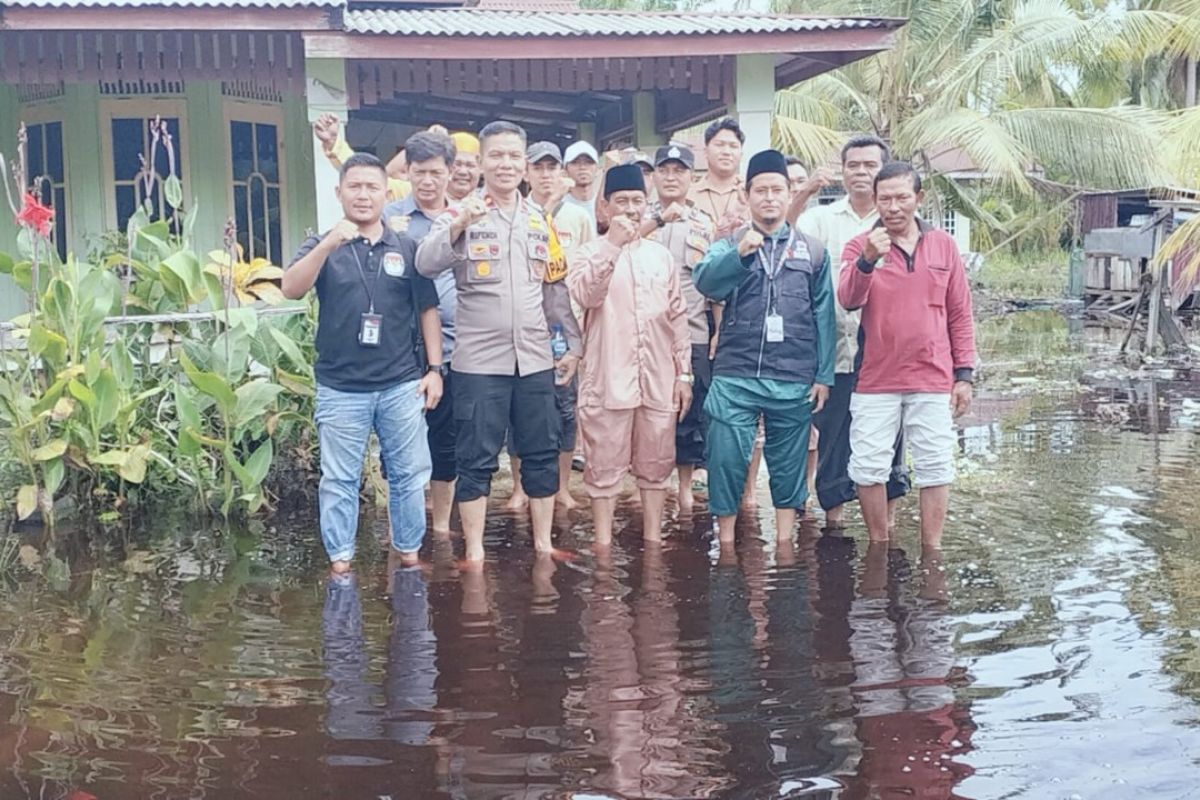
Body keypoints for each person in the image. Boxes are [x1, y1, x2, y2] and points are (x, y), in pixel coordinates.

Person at [415, 121, 582, 563]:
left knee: (542, 452)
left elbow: (555, 289)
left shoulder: (538, 220)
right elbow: (425, 262)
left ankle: (544, 544)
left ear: (524, 165)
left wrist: (573, 347)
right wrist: (458, 226)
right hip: (478, 362)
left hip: (534, 359)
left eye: (513, 156)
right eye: (497, 156)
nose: (505, 164)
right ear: (480, 163)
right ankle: (473, 551)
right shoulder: (461, 213)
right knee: (476, 459)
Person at [282, 153, 445, 574]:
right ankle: (340, 561)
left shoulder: (407, 247)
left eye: (373, 186)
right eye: (354, 186)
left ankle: (409, 552)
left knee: (409, 474)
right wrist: (329, 243)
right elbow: (291, 289)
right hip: (340, 387)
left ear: (386, 193)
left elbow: (428, 309)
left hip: (400, 383)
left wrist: (435, 370)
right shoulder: (321, 244)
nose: (363, 194)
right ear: (339, 193)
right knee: (339, 480)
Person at [693, 149, 836, 543]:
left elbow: (824, 314)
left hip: (793, 374)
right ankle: (725, 542)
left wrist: (823, 374)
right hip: (735, 374)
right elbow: (705, 282)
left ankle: (786, 545)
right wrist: (739, 256)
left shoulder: (814, 251)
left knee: (789, 464)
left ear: (790, 193)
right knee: (725, 460)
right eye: (761, 190)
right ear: (746, 195)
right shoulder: (729, 243)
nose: (770, 197)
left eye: (777, 190)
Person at [838, 161, 976, 547]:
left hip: (932, 376)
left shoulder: (943, 245)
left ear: (919, 198)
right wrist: (867, 259)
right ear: (875, 201)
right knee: (867, 467)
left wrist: (963, 375)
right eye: (885, 199)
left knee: (936, 466)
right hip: (875, 379)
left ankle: (932, 550)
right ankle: (879, 545)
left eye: (902, 198)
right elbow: (848, 299)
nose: (893, 207)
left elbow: (960, 313)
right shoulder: (860, 245)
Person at [568, 164, 692, 546]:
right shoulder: (586, 254)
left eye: (638, 201)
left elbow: (678, 316)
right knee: (603, 471)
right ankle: (603, 548)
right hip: (607, 381)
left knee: (656, 468)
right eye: (621, 201)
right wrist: (612, 247)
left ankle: (654, 542)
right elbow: (587, 295)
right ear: (604, 209)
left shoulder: (660, 257)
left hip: (657, 379)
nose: (631, 209)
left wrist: (683, 374)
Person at [794, 135, 911, 529]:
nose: (860, 172)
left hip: (886, 357)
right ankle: (834, 524)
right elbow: (784, 236)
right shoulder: (820, 219)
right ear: (842, 172)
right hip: (834, 352)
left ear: (884, 174)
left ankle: (887, 527)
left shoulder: (899, 221)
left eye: (870, 166)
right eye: (853, 165)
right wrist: (806, 190)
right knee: (832, 439)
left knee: (891, 443)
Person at [507, 140, 594, 512]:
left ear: (562, 172)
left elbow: (587, 269)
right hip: (522, 324)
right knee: (519, 408)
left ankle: (560, 487)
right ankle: (518, 487)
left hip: (564, 325)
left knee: (563, 407)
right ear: (527, 173)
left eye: (551, 168)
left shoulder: (579, 217)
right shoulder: (514, 213)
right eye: (538, 168)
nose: (545, 175)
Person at [382, 131, 457, 533]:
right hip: (400, 350)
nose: (427, 181)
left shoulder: (464, 217)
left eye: (435, 172)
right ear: (406, 172)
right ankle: (405, 525)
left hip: (455, 348)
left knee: (445, 441)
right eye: (419, 172)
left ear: (450, 173)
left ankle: (442, 526)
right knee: (399, 447)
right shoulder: (388, 217)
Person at [637, 144, 717, 513]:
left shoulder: (704, 224)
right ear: (653, 176)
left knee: (690, 412)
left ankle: (684, 487)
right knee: (646, 411)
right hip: (644, 335)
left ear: (692, 177)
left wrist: (718, 329)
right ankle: (651, 483)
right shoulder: (639, 216)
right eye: (664, 170)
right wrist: (657, 221)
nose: (671, 177)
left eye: (679, 171)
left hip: (694, 331)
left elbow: (714, 281)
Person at [313, 114, 412, 202]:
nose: (427, 181)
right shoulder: (412, 192)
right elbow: (366, 175)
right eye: (420, 172)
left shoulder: (416, 193)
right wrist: (332, 142)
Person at [689, 118, 749, 237]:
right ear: (705, 152)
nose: (726, 152)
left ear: (741, 155)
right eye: (719, 145)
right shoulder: (688, 194)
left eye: (733, 146)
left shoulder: (750, 195)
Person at [563, 140, 601, 225]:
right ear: (565, 170)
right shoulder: (558, 207)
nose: (582, 167)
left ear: (598, 169)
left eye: (589, 162)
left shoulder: (605, 207)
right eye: (575, 162)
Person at [448, 132, 482, 202]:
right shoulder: (429, 202)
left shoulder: (489, 204)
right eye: (457, 164)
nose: (463, 172)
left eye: (470, 165)